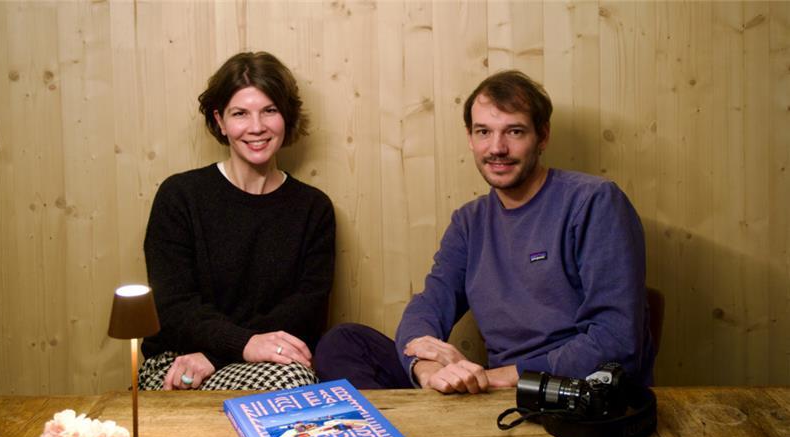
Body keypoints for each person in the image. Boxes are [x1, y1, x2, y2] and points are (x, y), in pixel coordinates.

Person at [314, 70, 655, 393]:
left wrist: (497, 378)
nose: (497, 148)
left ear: (543, 136)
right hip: (490, 390)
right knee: (343, 342)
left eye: (515, 131)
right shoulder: (469, 222)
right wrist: (429, 371)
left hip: (566, 389)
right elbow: (429, 306)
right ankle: (405, 433)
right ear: (470, 138)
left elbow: (615, 340)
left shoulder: (593, 202)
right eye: (483, 132)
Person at [139, 51, 335, 391]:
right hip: (178, 361)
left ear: (286, 116)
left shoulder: (313, 208)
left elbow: (306, 311)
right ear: (219, 120)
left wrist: (220, 355)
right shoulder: (180, 196)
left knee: (291, 377)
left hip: (267, 362)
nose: (256, 127)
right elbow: (173, 307)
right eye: (240, 113)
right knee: (289, 378)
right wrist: (241, 344)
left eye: (269, 111)